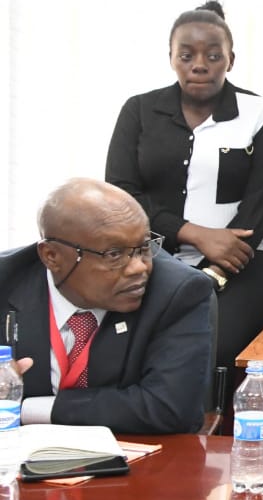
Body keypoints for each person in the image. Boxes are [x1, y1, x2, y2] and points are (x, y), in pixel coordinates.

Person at [106, 0, 263, 371]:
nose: (200, 64)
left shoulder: (262, 116)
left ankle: (206, 428)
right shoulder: (138, 111)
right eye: (186, 55)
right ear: (171, 57)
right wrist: (195, 234)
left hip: (241, 267)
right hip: (149, 260)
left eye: (213, 55)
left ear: (231, 59)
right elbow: (121, 195)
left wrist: (214, 265)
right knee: (123, 348)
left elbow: (260, 206)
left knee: (200, 347)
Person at [0, 179, 213, 434]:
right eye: (113, 254)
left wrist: (27, 408)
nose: (139, 268)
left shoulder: (177, 292)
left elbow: (171, 408)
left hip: (135, 460)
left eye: (144, 247)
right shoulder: (7, 281)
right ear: (51, 256)